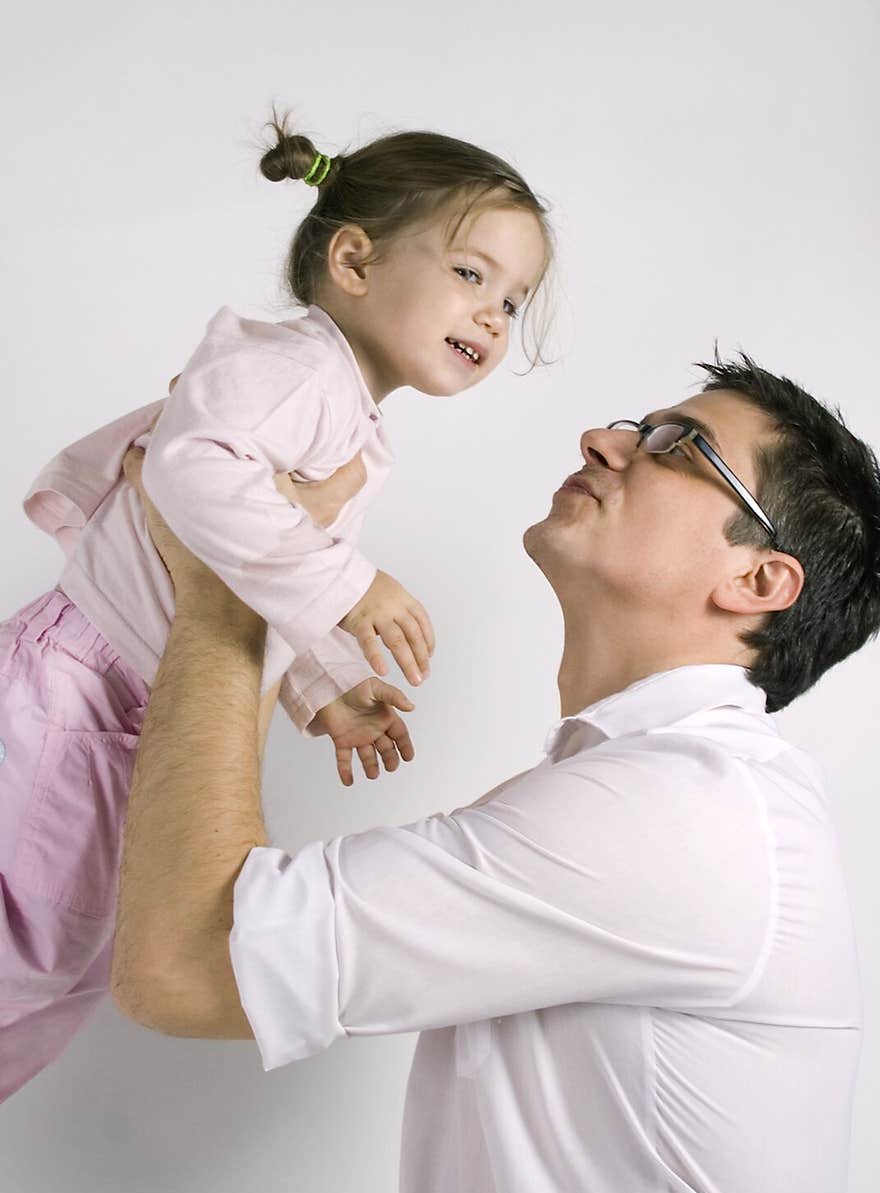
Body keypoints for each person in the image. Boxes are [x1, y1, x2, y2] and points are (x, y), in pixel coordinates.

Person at [113, 354, 880, 1193]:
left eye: (678, 447)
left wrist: (229, 578)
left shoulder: (688, 810)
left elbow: (182, 963)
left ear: (760, 577)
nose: (604, 442)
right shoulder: (654, 793)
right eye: (634, 425)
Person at [0, 118, 551, 1105]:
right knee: (26, 951)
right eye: (472, 274)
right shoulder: (292, 365)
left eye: (513, 299)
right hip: (73, 685)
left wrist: (326, 688)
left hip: (129, 713)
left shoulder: (356, 429)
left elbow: (255, 565)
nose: (496, 314)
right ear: (352, 258)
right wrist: (350, 589)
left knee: (63, 966)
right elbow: (186, 471)